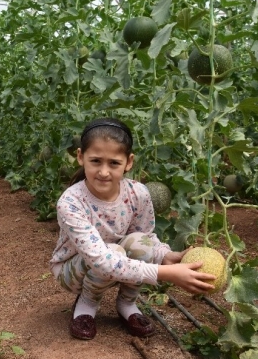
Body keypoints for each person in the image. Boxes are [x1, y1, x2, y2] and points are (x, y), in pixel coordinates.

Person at [50, 117, 216, 340]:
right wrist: (166, 274)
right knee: (112, 253)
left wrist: (166, 256)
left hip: (116, 261)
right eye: (96, 161)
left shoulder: (138, 193)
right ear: (81, 157)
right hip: (73, 271)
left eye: (114, 163)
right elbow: (101, 260)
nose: (104, 172)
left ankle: (127, 304)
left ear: (129, 162)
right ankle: (86, 304)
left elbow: (145, 237)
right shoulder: (70, 202)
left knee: (141, 243)